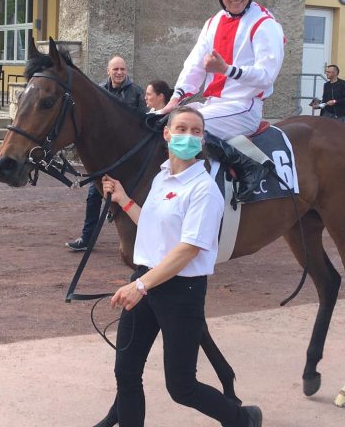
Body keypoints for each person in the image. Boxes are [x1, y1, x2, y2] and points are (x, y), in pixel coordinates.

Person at [101, 106, 262, 427]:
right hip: (146, 281)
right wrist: (124, 200)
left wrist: (140, 286)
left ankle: (242, 419)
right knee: (126, 372)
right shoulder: (163, 178)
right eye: (181, 129)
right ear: (167, 134)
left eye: (195, 131)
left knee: (181, 387)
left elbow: (188, 248)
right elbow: (153, 225)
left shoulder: (204, 189)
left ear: (203, 140)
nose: (188, 136)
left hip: (180, 292)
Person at [160, 0, 285, 201]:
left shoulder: (264, 23)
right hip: (214, 105)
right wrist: (176, 99)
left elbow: (266, 76)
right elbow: (194, 65)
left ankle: (249, 166)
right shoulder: (213, 23)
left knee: (188, 128)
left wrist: (227, 69)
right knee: (157, 121)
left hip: (244, 107)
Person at [66, 55, 146, 251]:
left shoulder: (136, 92)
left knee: (133, 197)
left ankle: (139, 241)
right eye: (116, 69)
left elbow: (142, 121)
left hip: (128, 158)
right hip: (105, 159)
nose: (119, 73)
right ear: (108, 71)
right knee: (94, 196)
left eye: (123, 69)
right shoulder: (99, 91)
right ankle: (87, 238)